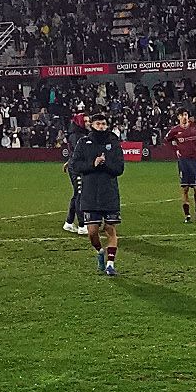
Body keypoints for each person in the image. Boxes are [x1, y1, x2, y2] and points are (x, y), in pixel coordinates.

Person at [71, 109, 126, 276]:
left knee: (110, 229)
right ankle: (100, 252)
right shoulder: (83, 143)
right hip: (90, 193)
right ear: (92, 125)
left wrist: (105, 165)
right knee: (92, 233)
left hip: (109, 192)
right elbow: (75, 166)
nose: (101, 127)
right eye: (98, 124)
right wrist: (93, 164)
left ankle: (110, 264)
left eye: (103, 124)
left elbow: (119, 168)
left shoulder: (114, 143)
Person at [166, 107, 196, 223]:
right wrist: (175, 150)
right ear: (178, 117)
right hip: (183, 161)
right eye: (182, 115)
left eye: (185, 114)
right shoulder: (175, 130)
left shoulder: (195, 127)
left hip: (194, 160)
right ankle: (187, 216)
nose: (184, 117)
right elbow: (166, 140)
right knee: (185, 188)